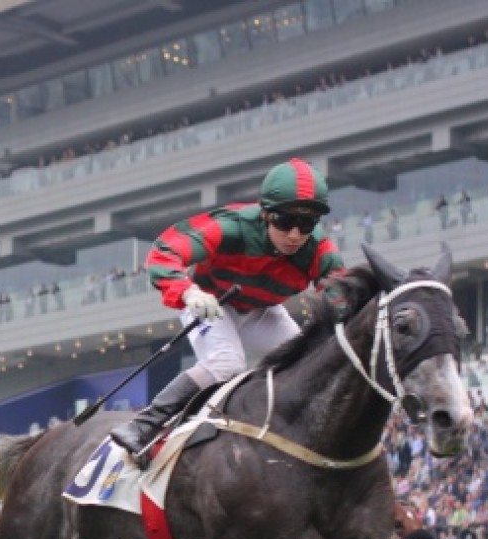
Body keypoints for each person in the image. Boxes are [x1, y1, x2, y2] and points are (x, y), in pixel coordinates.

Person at [109, 158, 344, 461]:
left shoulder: (319, 250)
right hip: (210, 302)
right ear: (265, 214)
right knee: (227, 362)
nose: (295, 235)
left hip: (259, 310)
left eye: (306, 225)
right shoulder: (232, 227)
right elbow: (165, 250)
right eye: (285, 222)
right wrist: (187, 290)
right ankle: (145, 425)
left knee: (308, 360)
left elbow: (340, 299)